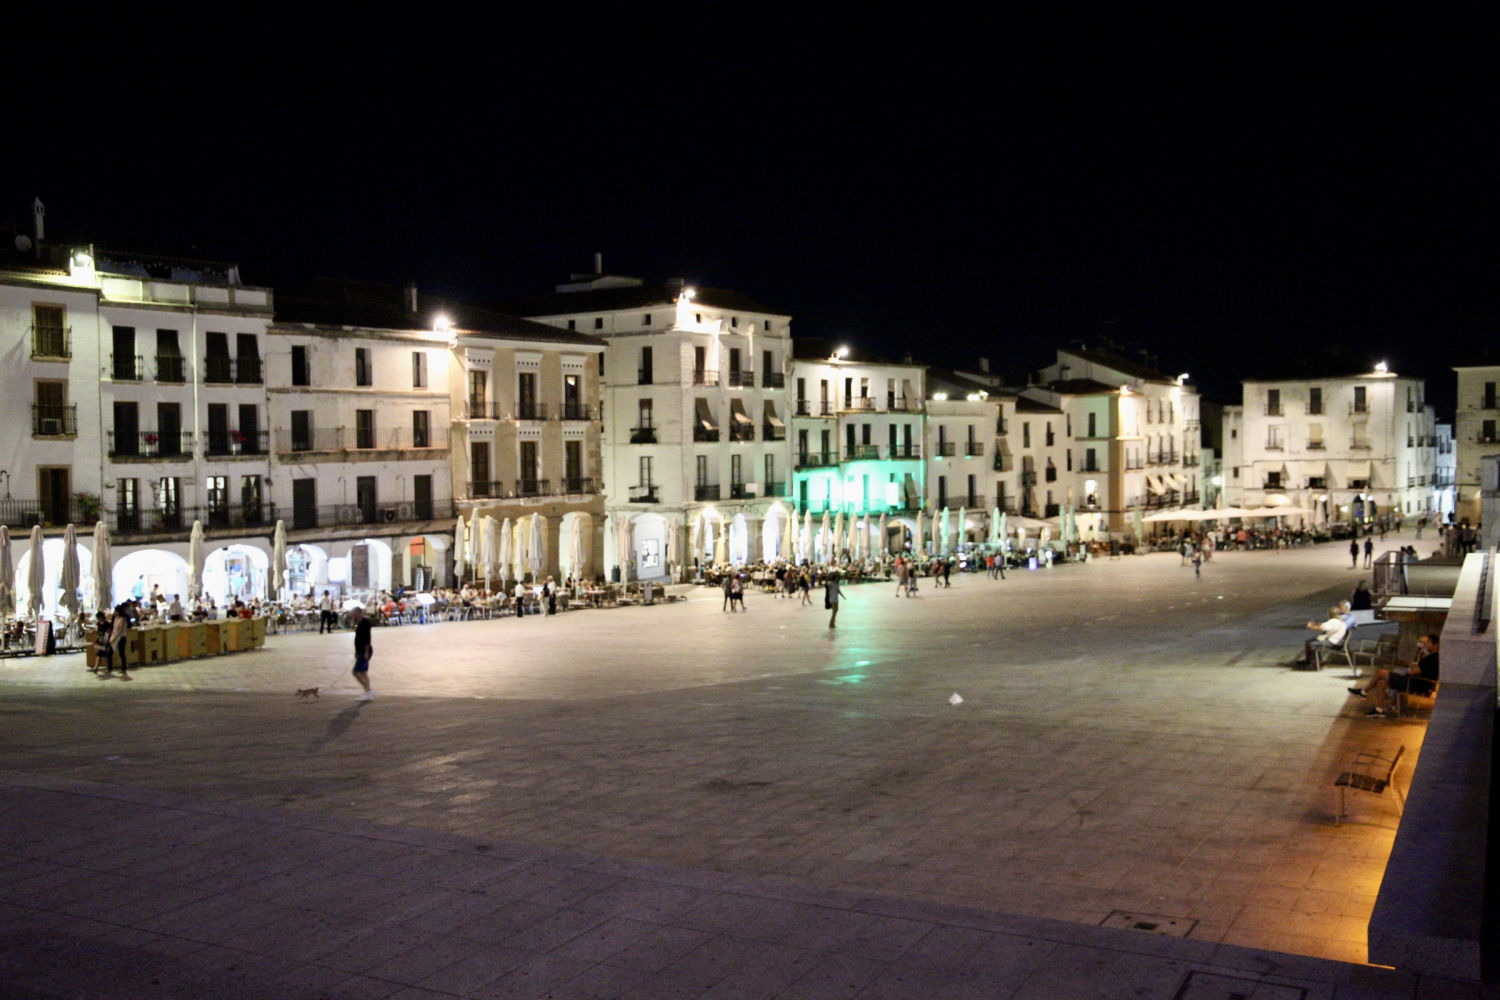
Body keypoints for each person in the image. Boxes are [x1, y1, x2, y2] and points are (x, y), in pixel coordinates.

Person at [1350, 634, 1440, 717]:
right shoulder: (1434, 657)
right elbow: (1417, 667)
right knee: (1381, 683)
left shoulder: (1431, 658)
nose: (1425, 645)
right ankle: (1379, 710)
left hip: (1413, 684)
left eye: (1428, 643)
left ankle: (1364, 692)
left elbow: (1413, 671)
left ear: (1436, 645)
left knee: (1380, 672)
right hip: (1417, 683)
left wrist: (1410, 668)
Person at [350, 606, 373, 701]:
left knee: (356, 672)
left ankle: (368, 691)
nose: (352, 615)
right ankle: (368, 692)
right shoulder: (359, 623)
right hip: (360, 650)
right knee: (363, 672)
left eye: (353, 613)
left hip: (364, 650)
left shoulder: (365, 623)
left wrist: (366, 652)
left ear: (358, 613)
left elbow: (367, 638)